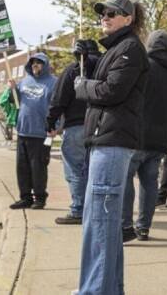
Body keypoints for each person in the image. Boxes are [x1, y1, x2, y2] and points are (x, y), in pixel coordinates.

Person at [73, 0, 149, 295]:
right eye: (103, 12)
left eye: (113, 12)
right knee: (102, 224)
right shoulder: (119, 49)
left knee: (100, 225)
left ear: (129, 19)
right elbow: (106, 77)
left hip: (113, 144)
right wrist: (86, 57)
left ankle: (94, 291)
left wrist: (82, 86)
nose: (105, 16)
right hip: (106, 142)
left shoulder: (130, 48)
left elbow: (112, 90)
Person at [122, 30, 167, 242]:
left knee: (125, 180)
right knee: (149, 183)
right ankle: (143, 227)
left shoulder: (144, 66)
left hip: (137, 135)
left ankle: (125, 226)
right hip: (162, 139)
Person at [46, 39, 101, 225]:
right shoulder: (106, 67)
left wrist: (50, 121)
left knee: (75, 169)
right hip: (102, 126)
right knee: (96, 170)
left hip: (77, 125)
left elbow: (59, 98)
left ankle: (78, 209)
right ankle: (95, 208)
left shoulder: (73, 70)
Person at [4, 53, 57, 210]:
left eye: (39, 63)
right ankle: (25, 198)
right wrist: (12, 89)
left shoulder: (53, 83)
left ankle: (40, 198)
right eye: (33, 63)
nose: (35, 65)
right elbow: (15, 101)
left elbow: (59, 105)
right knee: (22, 168)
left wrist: (56, 126)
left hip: (42, 133)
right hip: (23, 132)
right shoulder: (24, 82)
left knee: (38, 168)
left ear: (45, 65)